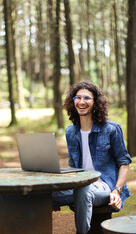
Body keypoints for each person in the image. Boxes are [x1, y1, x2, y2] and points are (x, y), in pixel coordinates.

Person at [52, 81, 132, 234]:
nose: (82, 102)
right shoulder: (70, 132)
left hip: (104, 186)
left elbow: (124, 163)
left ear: (96, 102)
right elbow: (72, 166)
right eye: (78, 98)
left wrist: (117, 190)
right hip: (80, 184)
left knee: (84, 191)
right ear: (73, 101)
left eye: (87, 98)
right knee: (44, 192)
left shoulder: (111, 129)